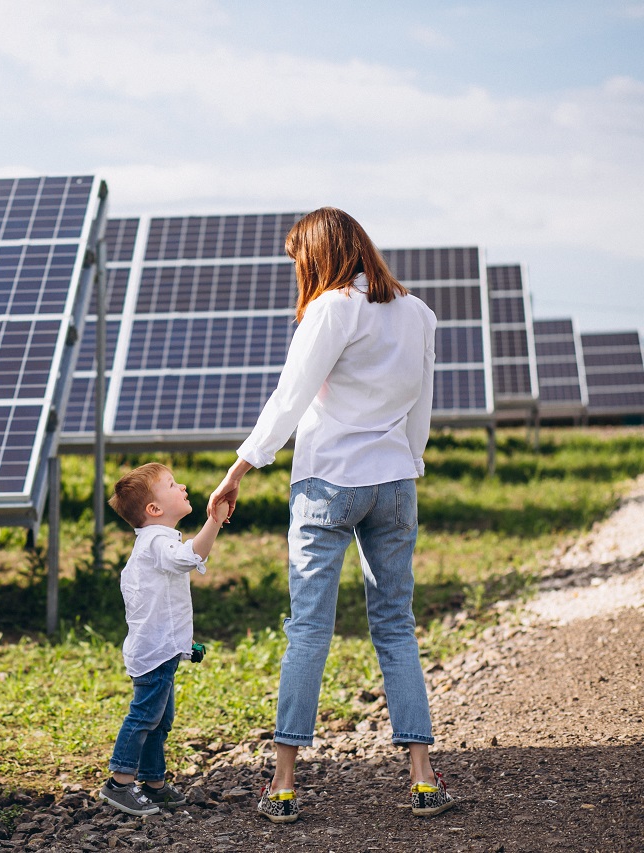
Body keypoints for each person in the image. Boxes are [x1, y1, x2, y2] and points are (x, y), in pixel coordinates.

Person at [206, 207, 455, 823]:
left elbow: (290, 395)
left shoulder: (331, 308)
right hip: (395, 483)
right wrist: (410, 461)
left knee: (309, 630)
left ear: (318, 255)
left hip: (328, 484)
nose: (297, 270)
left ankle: (283, 784)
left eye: (299, 259)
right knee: (396, 626)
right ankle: (423, 778)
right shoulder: (418, 313)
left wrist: (240, 468)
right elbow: (421, 403)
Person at [99, 462, 230, 816]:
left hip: (162, 651)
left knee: (160, 720)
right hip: (154, 654)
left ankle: (154, 783)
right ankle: (119, 783)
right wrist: (214, 521)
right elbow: (189, 559)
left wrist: (185, 646)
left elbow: (165, 604)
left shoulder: (156, 542)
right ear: (154, 510)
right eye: (172, 485)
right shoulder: (157, 542)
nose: (182, 487)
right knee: (144, 718)